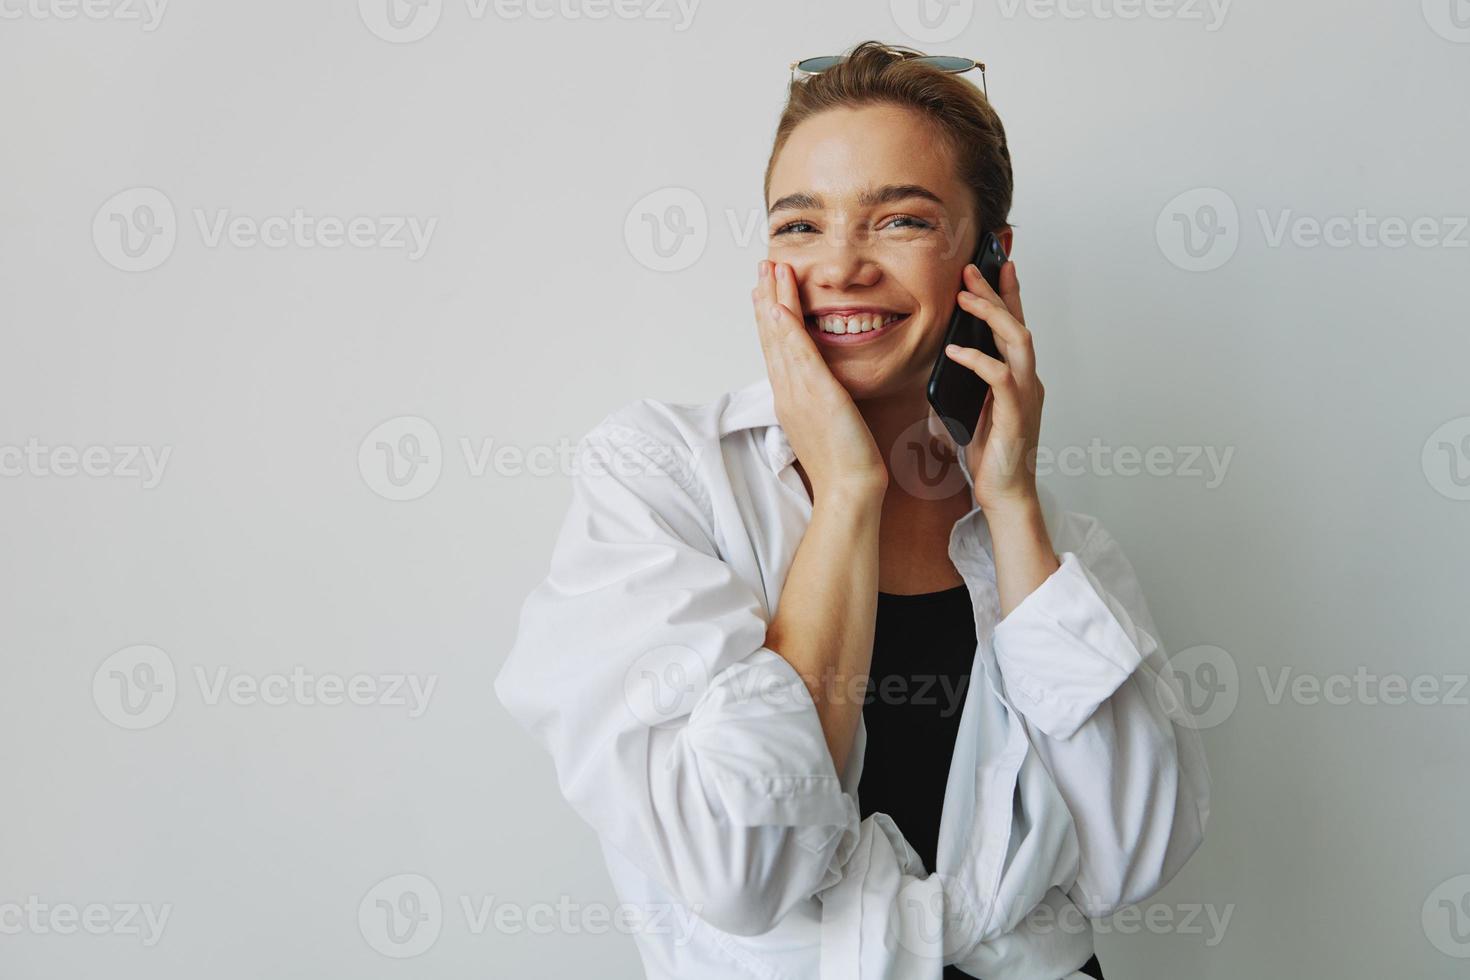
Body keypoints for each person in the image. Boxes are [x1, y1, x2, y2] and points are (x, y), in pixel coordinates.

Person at [495, 40, 1210, 979]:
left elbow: (1135, 854)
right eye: (799, 226)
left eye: (900, 221)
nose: (840, 267)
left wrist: (1012, 504)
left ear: (987, 260)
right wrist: (847, 495)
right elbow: (740, 870)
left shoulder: (1055, 545)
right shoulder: (660, 479)